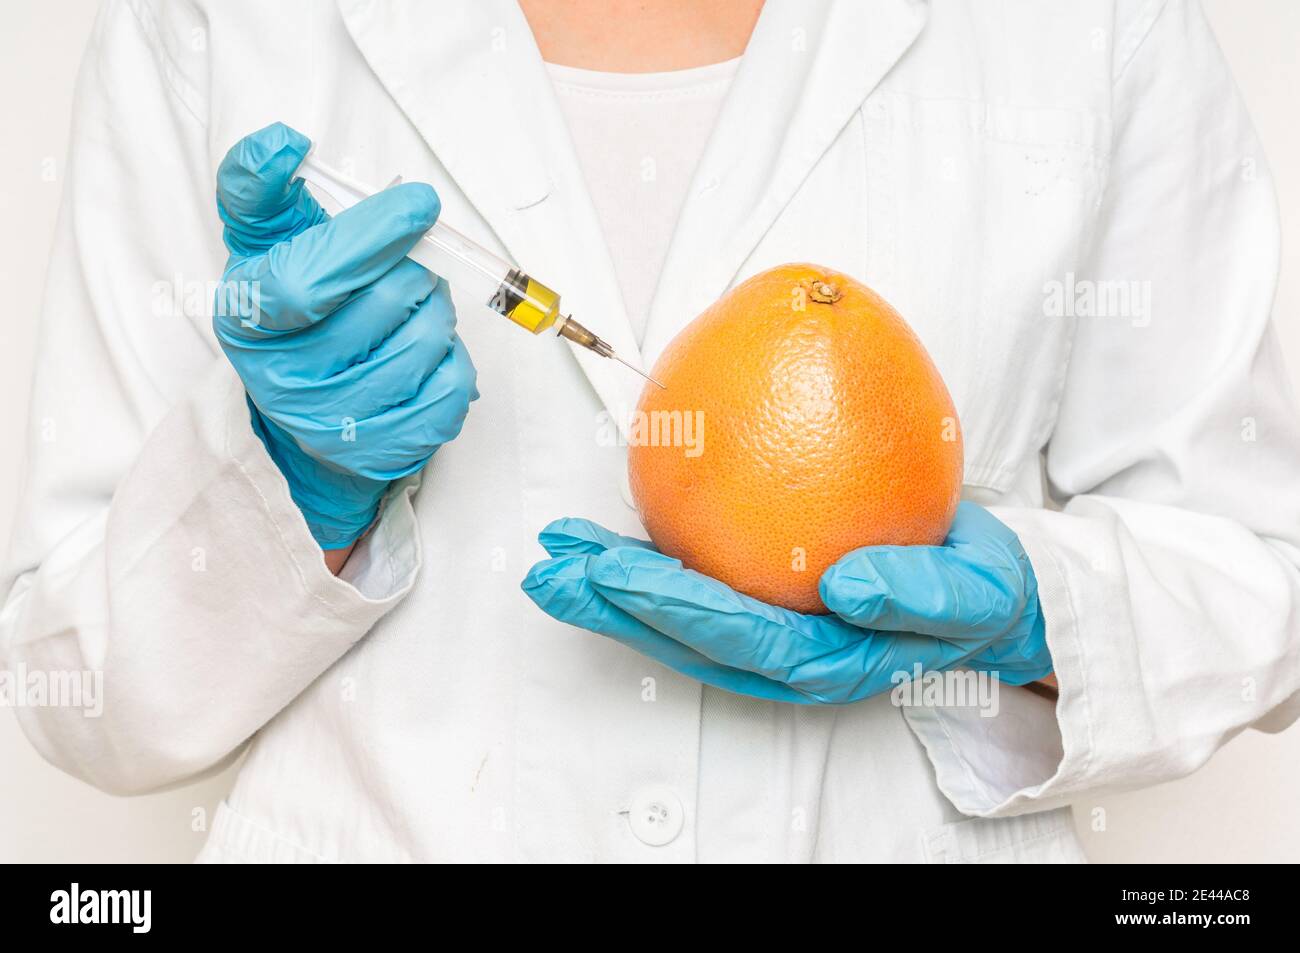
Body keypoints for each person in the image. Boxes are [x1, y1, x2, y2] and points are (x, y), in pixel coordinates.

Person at [3, 0, 1298, 863]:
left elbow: (1261, 577)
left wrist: (1034, 615)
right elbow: (88, 694)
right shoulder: (221, 25)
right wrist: (294, 487)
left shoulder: (1094, 25)